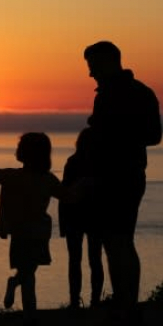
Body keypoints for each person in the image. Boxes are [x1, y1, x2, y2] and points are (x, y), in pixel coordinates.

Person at [83, 40, 162, 326]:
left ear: (106, 62)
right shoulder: (139, 92)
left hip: (116, 177)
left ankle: (125, 307)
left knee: (116, 242)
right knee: (121, 242)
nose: (90, 74)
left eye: (92, 66)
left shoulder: (117, 94)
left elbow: (151, 135)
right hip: (127, 175)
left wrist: (108, 129)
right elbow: (153, 136)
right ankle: (127, 304)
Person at [0, 130, 64, 326]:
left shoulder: (14, 177)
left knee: (27, 274)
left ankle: (15, 288)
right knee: (29, 276)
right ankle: (30, 319)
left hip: (25, 233)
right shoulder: (48, 179)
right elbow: (69, 196)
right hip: (36, 232)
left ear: (24, 154)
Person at [59, 127, 104, 309]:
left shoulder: (76, 161)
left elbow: (64, 192)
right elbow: (65, 192)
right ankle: (84, 301)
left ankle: (82, 301)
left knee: (85, 260)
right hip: (81, 216)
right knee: (88, 260)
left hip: (84, 216)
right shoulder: (96, 163)